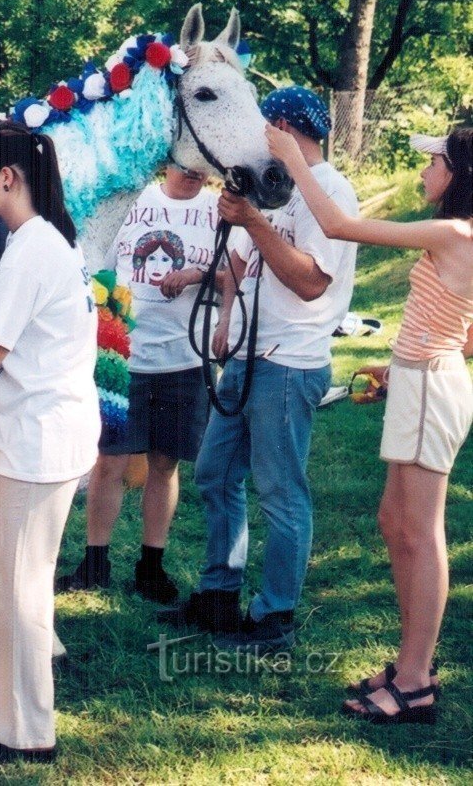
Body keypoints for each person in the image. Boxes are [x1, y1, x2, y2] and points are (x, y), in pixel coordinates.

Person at [267, 125, 473, 724]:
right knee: (394, 522)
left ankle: (414, 682)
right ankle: (414, 664)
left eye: (433, 162)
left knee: (420, 530)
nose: (423, 172)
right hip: (424, 378)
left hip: (432, 387)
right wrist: (399, 361)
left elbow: (337, 226)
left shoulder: (452, 232)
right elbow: (463, 331)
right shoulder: (455, 238)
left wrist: (291, 161)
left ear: (458, 173)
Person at [161, 86, 357, 654]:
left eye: (264, 128)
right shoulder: (281, 188)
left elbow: (309, 280)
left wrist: (253, 220)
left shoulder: (330, 191)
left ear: (288, 129)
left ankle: (275, 617)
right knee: (215, 473)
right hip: (251, 352)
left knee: (280, 490)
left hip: (290, 362)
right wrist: (230, 315)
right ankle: (220, 594)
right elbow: (251, 264)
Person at [0, 120, 98, 764]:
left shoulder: (33, 247)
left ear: (8, 177)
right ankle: (1, 700)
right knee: (11, 578)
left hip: (40, 438)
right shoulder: (40, 242)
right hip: (47, 431)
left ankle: (28, 731)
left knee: (19, 586)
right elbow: (0, 309)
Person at [56, 164, 220, 603]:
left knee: (164, 464)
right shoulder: (135, 203)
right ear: (168, 162)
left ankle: (151, 565)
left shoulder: (220, 212)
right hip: (123, 357)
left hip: (186, 358)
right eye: (187, 167)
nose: (195, 174)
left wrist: (198, 275)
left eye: (203, 169)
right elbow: (96, 272)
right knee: (109, 462)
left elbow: (237, 279)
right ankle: (95, 561)